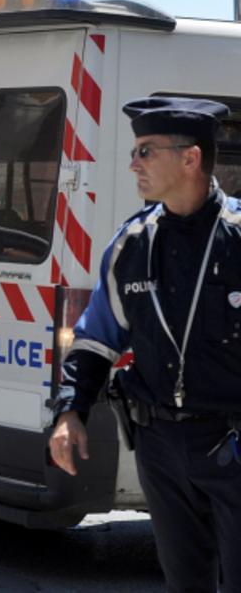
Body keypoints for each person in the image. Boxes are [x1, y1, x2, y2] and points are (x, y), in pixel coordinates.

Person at [49, 97, 241, 593]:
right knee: (185, 584)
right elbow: (95, 341)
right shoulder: (131, 244)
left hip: (233, 442)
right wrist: (70, 413)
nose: (133, 163)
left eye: (145, 151)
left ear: (190, 158)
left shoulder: (238, 237)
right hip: (160, 447)